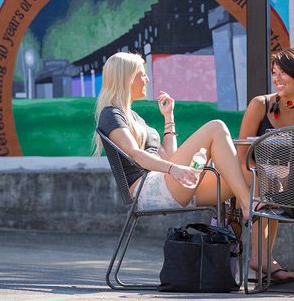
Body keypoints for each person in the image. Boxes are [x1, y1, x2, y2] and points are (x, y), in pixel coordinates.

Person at [91, 52, 259, 278]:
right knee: (216, 127)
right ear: (127, 78)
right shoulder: (111, 114)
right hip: (147, 190)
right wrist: (173, 169)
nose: (147, 80)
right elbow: (136, 154)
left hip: (167, 183)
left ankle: (262, 262)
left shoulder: (135, 118)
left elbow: (170, 156)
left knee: (252, 176)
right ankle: (247, 206)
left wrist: (168, 117)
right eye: (142, 74)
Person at [236, 47, 294, 284]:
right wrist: (254, 184)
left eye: (283, 73)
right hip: (260, 181)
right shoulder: (260, 105)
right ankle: (262, 259)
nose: (277, 78)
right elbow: (241, 157)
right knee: (265, 186)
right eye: (274, 72)